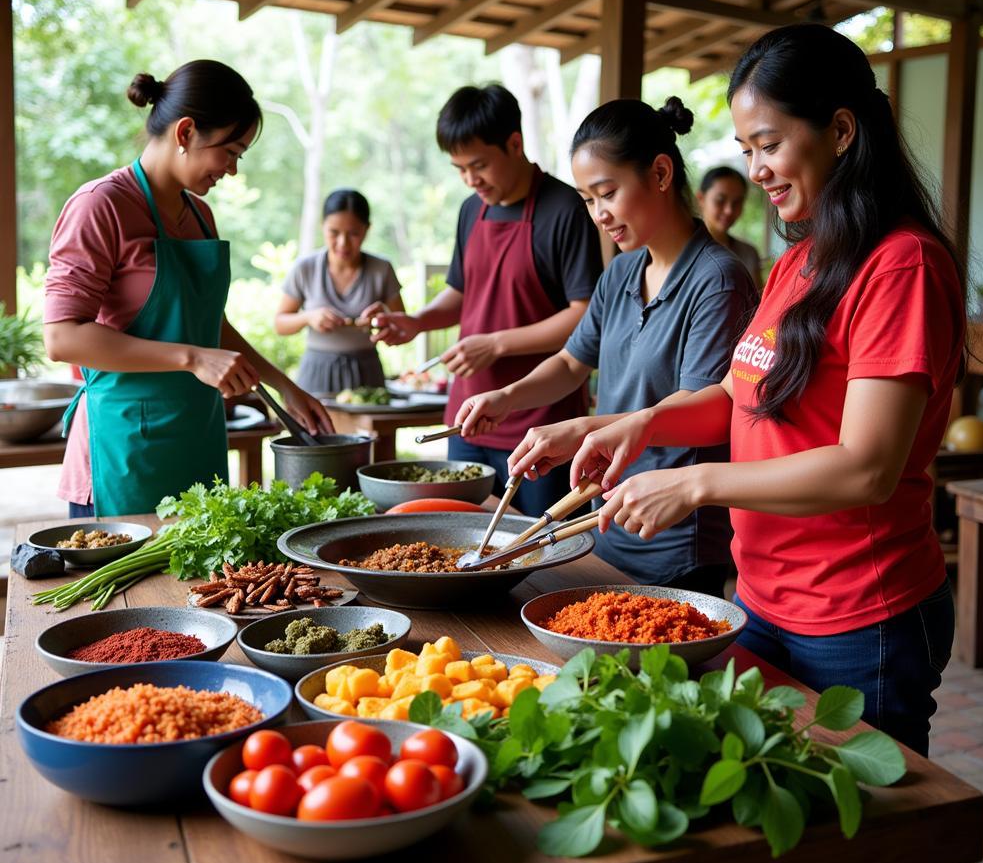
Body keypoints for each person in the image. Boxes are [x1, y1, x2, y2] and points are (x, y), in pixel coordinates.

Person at [569, 24, 965, 756]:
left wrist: (695, 487)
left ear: (841, 130)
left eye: (769, 144)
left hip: (856, 613)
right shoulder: (803, 259)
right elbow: (733, 394)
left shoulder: (899, 265)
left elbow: (866, 467)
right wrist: (642, 424)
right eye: (746, 150)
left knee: (863, 839)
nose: (754, 169)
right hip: (764, 597)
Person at [454, 98, 757, 594]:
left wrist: (577, 430)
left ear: (660, 173)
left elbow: (703, 404)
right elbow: (573, 361)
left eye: (607, 193)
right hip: (606, 520)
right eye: (588, 200)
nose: (598, 215)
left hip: (672, 534)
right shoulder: (621, 271)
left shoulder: (717, 279)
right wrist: (507, 399)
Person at [44, 60, 333, 519]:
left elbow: (206, 324)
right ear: (185, 133)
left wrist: (283, 387)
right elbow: (62, 338)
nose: (233, 170)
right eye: (229, 151)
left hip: (197, 442)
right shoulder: (101, 206)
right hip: (123, 452)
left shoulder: (200, 216)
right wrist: (193, 358)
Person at [368, 84, 603, 516]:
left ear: (515, 143)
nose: (470, 179)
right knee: (459, 543)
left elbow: (584, 315)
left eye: (479, 164)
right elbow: (461, 294)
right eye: (459, 168)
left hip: (541, 422)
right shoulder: (470, 210)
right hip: (468, 416)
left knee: (539, 553)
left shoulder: (565, 208)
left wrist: (494, 343)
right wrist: (415, 322)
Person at [275, 189, 404, 396]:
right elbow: (280, 324)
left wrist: (381, 322)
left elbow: (402, 327)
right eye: (333, 232)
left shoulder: (382, 269)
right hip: (316, 373)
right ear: (322, 227)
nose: (343, 243)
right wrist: (309, 317)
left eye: (353, 233)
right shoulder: (305, 268)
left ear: (367, 230)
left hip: (367, 373)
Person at [695, 166, 763, 289]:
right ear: (701, 199)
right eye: (720, 200)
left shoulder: (748, 253)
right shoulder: (682, 250)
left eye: (737, 202)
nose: (729, 210)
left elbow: (758, 303)